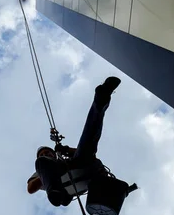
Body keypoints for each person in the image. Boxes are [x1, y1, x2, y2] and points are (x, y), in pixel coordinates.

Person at [27, 76, 121, 207]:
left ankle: (101, 98)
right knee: (41, 163)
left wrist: (64, 150)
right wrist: (48, 174)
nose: (46, 154)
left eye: (48, 152)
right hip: (67, 185)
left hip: (81, 167)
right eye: (43, 153)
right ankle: (56, 191)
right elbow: (31, 188)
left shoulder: (63, 160)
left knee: (89, 137)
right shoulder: (42, 171)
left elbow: (82, 151)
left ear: (53, 154)